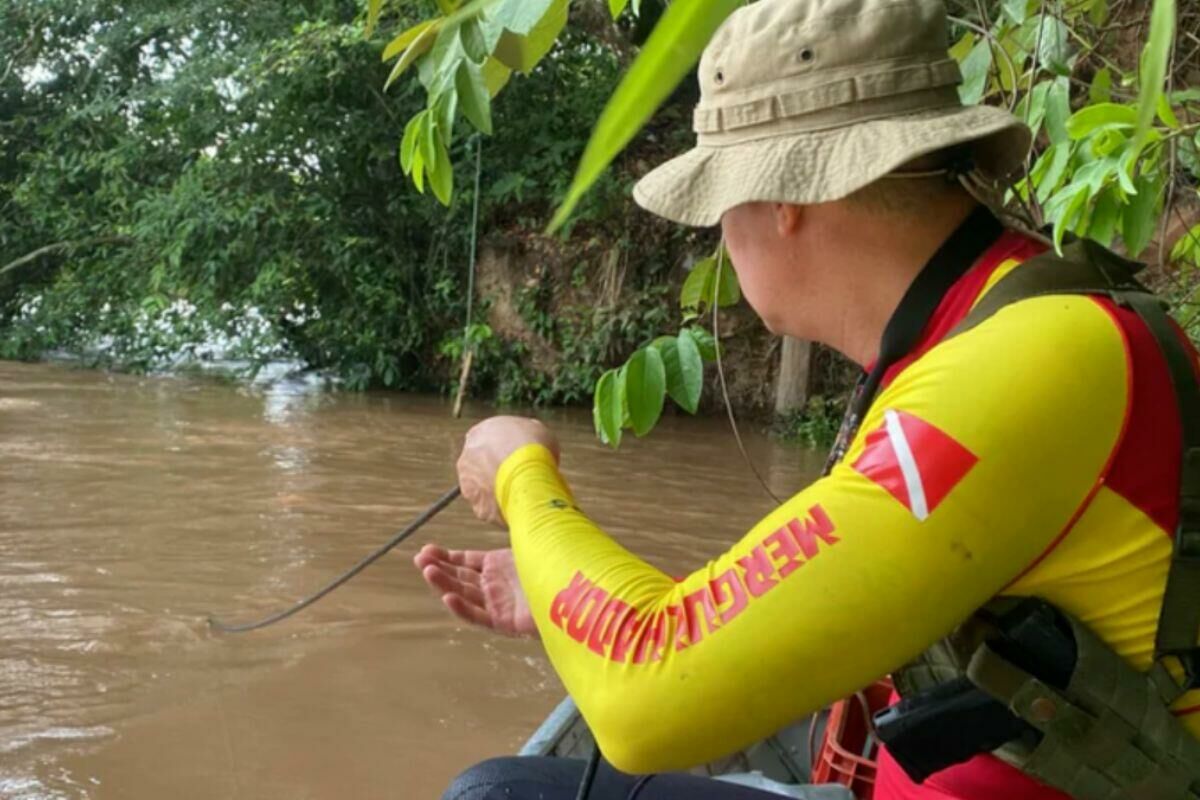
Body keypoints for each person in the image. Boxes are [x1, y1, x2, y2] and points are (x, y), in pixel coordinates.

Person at [415, 0, 1200, 798]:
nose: (722, 237)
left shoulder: (1022, 363)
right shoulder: (986, 322)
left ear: (782, 198)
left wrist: (522, 473)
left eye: (719, 206)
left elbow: (644, 700)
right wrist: (557, 595)